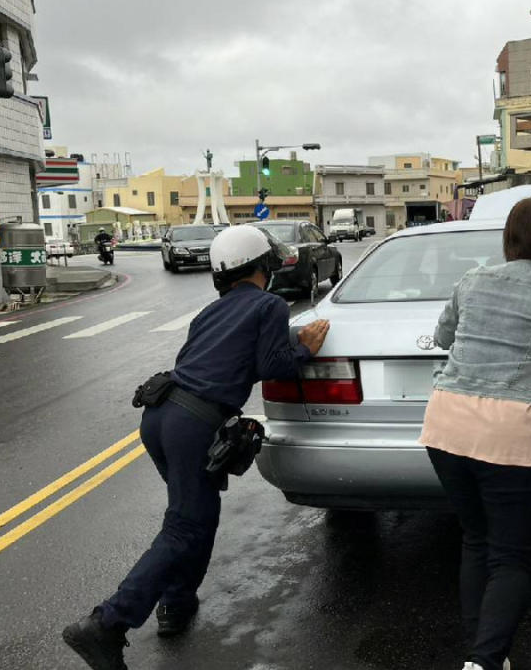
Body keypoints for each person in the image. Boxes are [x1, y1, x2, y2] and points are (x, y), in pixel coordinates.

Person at [63, 225, 330, 670]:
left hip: (160, 416)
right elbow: (272, 366)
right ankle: (107, 624)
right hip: (194, 423)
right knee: (186, 524)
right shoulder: (269, 306)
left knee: (194, 515)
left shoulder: (210, 312)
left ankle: (176, 603)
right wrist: (304, 347)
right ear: (262, 267)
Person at [419, 197, 531, 670]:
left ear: (510, 238)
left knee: (476, 539)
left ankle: (483, 654)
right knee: (510, 556)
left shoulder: (471, 280)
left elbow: (442, 339)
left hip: (445, 424)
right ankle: (486, 660)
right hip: (509, 431)